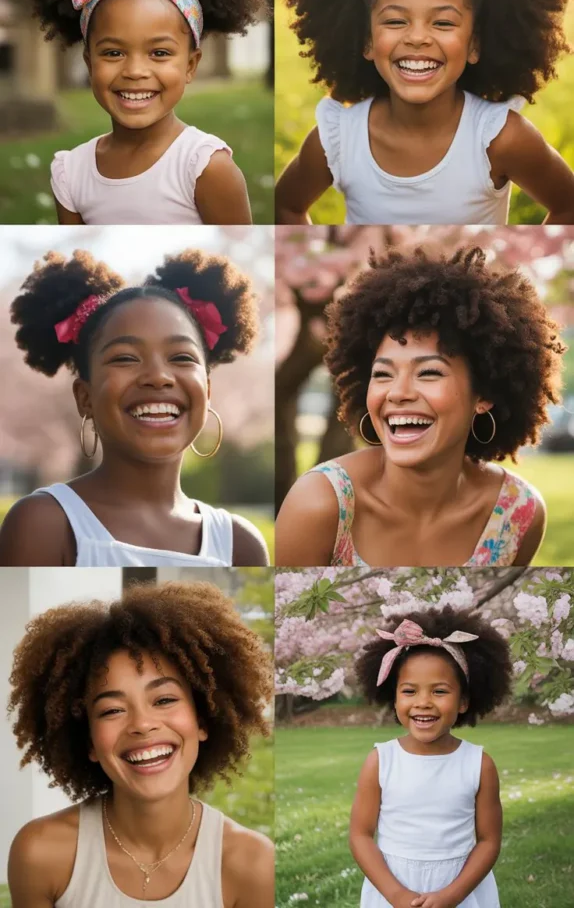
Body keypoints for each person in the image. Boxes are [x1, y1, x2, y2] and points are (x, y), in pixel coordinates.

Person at [276, 0, 574, 225]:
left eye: (443, 23)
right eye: (394, 20)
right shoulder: (337, 139)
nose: (417, 37)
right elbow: (286, 207)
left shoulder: (500, 138)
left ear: (474, 44)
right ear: (366, 41)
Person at [275, 245, 566, 567]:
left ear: (484, 394)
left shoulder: (518, 513)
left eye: (428, 373)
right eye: (383, 374)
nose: (398, 393)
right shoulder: (318, 503)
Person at [7, 580, 274, 907]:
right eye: (112, 710)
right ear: (89, 741)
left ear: (202, 720)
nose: (142, 724)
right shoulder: (41, 853)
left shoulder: (252, 863)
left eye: (163, 700)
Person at [0, 246, 269, 567]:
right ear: (84, 396)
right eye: (125, 358)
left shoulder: (241, 544)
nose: (158, 377)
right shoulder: (44, 524)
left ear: (208, 391)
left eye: (181, 357)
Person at [30, 0, 266, 224]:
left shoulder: (204, 167)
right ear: (90, 63)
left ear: (190, 65)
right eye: (114, 53)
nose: (135, 70)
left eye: (159, 53)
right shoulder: (70, 172)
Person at [350, 607, 512, 908]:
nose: (423, 703)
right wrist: (396, 894)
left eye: (439, 691)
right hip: (392, 888)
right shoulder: (381, 760)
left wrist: (453, 895)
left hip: (459, 889)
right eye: (409, 691)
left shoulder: (479, 765)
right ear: (394, 696)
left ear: (464, 701)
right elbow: (360, 835)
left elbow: (489, 841)